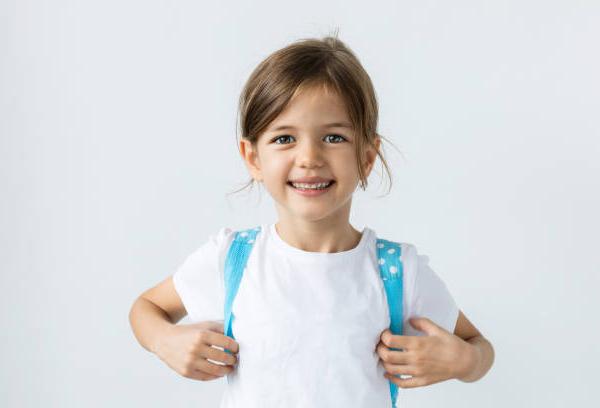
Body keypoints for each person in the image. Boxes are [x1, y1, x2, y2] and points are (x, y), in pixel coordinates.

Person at [129, 34, 494, 407]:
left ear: (366, 157)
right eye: (285, 138)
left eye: (333, 137)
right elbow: (146, 308)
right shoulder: (232, 260)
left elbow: (479, 348)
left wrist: (465, 361)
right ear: (253, 158)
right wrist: (163, 340)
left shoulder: (397, 272)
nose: (309, 157)